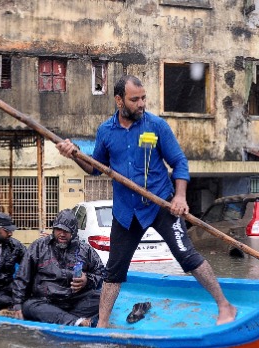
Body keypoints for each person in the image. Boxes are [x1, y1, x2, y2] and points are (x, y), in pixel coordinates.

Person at [56, 74, 237, 328]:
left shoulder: (156, 126)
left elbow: (179, 163)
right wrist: (74, 154)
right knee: (114, 271)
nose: (141, 104)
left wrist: (181, 196)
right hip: (126, 213)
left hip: (161, 205)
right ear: (119, 100)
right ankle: (103, 324)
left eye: (143, 98)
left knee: (188, 257)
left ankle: (225, 306)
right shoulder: (106, 131)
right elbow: (95, 167)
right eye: (134, 99)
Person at [11, 209, 105, 327]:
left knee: (104, 298)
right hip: (46, 302)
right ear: (53, 229)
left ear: (74, 232)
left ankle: (63, 318)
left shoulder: (85, 250)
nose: (62, 234)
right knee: (29, 306)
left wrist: (87, 280)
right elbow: (22, 276)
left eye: (66, 231)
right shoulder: (39, 246)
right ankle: (75, 321)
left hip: (75, 301)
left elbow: (102, 274)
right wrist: (17, 304)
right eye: (58, 229)